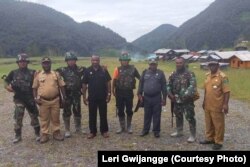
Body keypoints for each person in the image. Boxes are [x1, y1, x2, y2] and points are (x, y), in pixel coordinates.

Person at [4, 53, 40, 143]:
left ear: (27, 62)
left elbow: (38, 83)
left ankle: (37, 134)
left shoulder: (32, 72)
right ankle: (18, 136)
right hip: (19, 99)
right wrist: (7, 87)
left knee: (34, 116)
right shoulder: (13, 72)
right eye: (21, 61)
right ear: (18, 63)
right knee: (18, 116)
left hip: (30, 98)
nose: (23, 63)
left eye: (24, 61)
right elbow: (6, 81)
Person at [32, 57, 66, 144]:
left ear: (50, 64)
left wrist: (64, 97)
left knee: (56, 117)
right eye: (44, 63)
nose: (46, 65)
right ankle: (45, 134)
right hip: (43, 101)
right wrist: (35, 98)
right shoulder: (38, 75)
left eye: (48, 63)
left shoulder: (56, 74)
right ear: (42, 64)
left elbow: (62, 86)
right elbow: (34, 88)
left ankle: (56, 132)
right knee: (44, 118)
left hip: (55, 100)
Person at [200, 61, 230, 150]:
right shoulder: (207, 76)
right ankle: (209, 138)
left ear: (218, 65)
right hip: (208, 104)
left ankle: (218, 142)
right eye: (210, 65)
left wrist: (225, 104)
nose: (212, 67)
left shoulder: (223, 77)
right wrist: (204, 101)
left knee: (218, 125)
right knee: (208, 123)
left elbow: (227, 91)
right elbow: (206, 90)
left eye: (214, 65)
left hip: (218, 105)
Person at [167, 57, 197, 143]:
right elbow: (168, 84)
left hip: (187, 101)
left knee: (190, 117)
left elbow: (192, 86)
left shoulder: (190, 73)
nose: (178, 64)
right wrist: (169, 94)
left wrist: (185, 95)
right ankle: (179, 131)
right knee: (178, 115)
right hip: (176, 100)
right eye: (177, 63)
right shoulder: (173, 74)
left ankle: (192, 135)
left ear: (183, 63)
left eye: (180, 63)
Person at [56, 52, 86, 138]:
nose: (71, 62)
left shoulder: (81, 69)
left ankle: (78, 128)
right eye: (69, 60)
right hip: (67, 95)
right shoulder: (62, 70)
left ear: (75, 60)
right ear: (66, 61)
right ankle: (67, 130)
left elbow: (90, 70)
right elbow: (51, 73)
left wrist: (103, 68)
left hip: (77, 94)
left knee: (77, 111)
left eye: (73, 60)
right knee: (66, 112)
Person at [82, 55, 111, 139]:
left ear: (99, 60)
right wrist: (84, 96)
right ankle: (92, 132)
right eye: (93, 60)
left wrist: (109, 94)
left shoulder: (104, 70)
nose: (95, 62)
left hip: (102, 97)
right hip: (92, 98)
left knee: (103, 114)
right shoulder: (87, 70)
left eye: (97, 60)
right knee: (92, 115)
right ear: (91, 61)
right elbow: (84, 84)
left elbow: (108, 82)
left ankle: (104, 131)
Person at [137, 57, 166, 138]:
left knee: (157, 115)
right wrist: (139, 94)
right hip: (146, 97)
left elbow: (164, 86)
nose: (153, 66)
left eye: (154, 64)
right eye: (151, 64)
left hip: (157, 97)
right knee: (147, 114)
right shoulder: (145, 72)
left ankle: (156, 131)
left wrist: (164, 98)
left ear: (157, 65)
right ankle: (145, 130)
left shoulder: (160, 73)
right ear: (149, 65)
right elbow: (141, 84)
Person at [112, 52, 140, 134]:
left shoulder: (133, 69)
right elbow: (114, 80)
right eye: (123, 60)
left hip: (129, 92)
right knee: (120, 110)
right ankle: (122, 127)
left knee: (129, 109)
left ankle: (129, 127)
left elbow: (140, 78)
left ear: (129, 61)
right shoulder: (117, 69)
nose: (125, 62)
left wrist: (141, 90)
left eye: (126, 60)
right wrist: (113, 90)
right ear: (120, 61)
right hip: (119, 92)